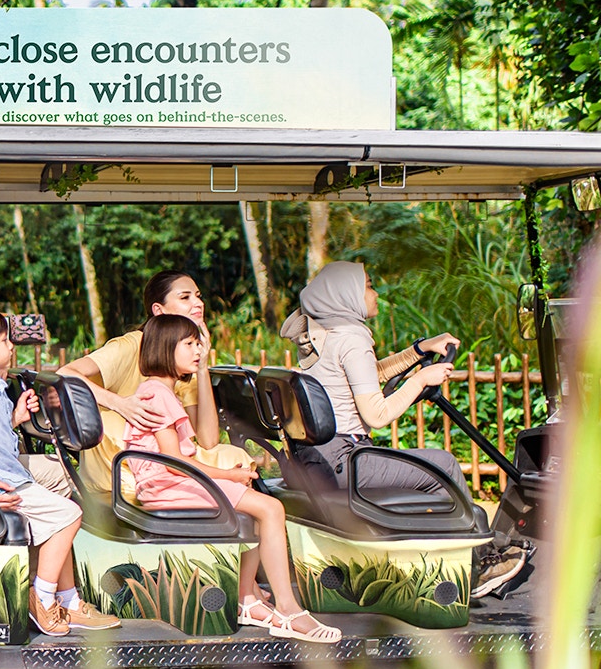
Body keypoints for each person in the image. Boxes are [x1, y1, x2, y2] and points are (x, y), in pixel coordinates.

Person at [125, 314, 340, 644]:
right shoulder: (157, 393)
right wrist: (229, 473)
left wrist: (234, 477)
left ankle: (247, 601)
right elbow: (173, 462)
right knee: (271, 509)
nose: (198, 350)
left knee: (256, 502)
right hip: (165, 485)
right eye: (189, 344)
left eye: (198, 343)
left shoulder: (160, 390)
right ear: (166, 348)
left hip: (170, 482)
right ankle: (288, 609)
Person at [0, 307, 121, 633]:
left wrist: (15, 418)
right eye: (3, 341)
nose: (11, 345)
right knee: (69, 515)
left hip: (10, 467)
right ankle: (42, 597)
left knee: (63, 475)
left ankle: (68, 597)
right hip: (3, 478)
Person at [278, 261, 468, 498]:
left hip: (315, 458)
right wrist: (420, 380)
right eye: (369, 286)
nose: (375, 294)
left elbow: (369, 375)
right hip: (343, 461)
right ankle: (468, 532)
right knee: (445, 465)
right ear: (347, 294)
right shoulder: (351, 339)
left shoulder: (324, 334)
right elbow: (376, 416)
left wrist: (419, 350)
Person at [59, 271, 231, 495]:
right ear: (158, 311)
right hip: (124, 459)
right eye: (185, 297)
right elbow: (65, 372)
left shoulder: (185, 358)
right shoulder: (131, 345)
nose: (198, 303)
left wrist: (202, 366)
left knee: (231, 457)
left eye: (198, 296)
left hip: (165, 454)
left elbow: (208, 441)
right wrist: (119, 403)